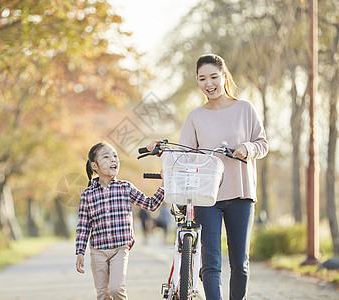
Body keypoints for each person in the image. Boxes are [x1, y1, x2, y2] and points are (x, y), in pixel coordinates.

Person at [148, 53, 269, 300]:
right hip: (205, 196)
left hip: (240, 193)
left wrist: (247, 147)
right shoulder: (195, 116)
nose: (208, 83)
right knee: (211, 262)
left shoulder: (245, 109)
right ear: (198, 82)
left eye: (213, 76)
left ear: (224, 77)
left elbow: (263, 143)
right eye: (202, 78)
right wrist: (161, 151)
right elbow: (183, 154)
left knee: (240, 265)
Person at [75, 142, 165, 300]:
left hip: (120, 249)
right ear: (94, 166)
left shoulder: (125, 188)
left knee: (116, 289)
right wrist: (80, 251)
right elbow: (83, 226)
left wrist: (164, 185)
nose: (113, 160)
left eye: (115, 156)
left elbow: (151, 205)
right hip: (98, 251)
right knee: (103, 293)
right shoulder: (87, 194)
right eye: (106, 157)